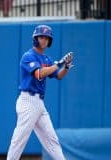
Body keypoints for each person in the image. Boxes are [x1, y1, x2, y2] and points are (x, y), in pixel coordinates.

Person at [7, 25, 73, 160]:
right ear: (35, 38)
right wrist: (58, 64)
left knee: (52, 139)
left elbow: (59, 76)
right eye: (41, 37)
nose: (44, 40)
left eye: (47, 38)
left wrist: (65, 66)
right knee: (19, 140)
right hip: (28, 101)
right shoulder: (28, 56)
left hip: (39, 103)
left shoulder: (47, 59)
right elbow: (39, 74)